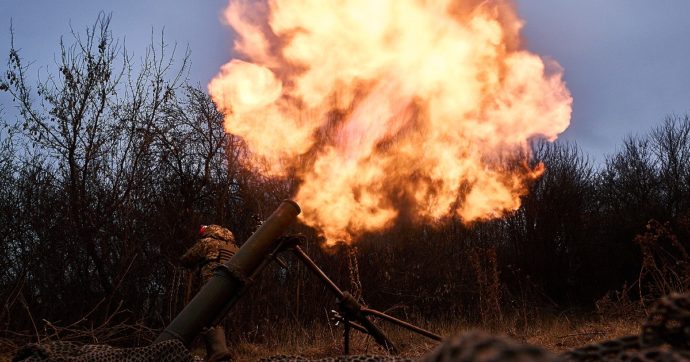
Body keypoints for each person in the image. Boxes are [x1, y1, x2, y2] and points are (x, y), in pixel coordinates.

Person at [180, 224, 239, 362]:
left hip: (212, 283)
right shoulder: (235, 247)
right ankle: (218, 352)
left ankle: (218, 351)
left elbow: (187, 258)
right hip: (231, 287)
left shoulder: (207, 242)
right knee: (218, 316)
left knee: (207, 315)